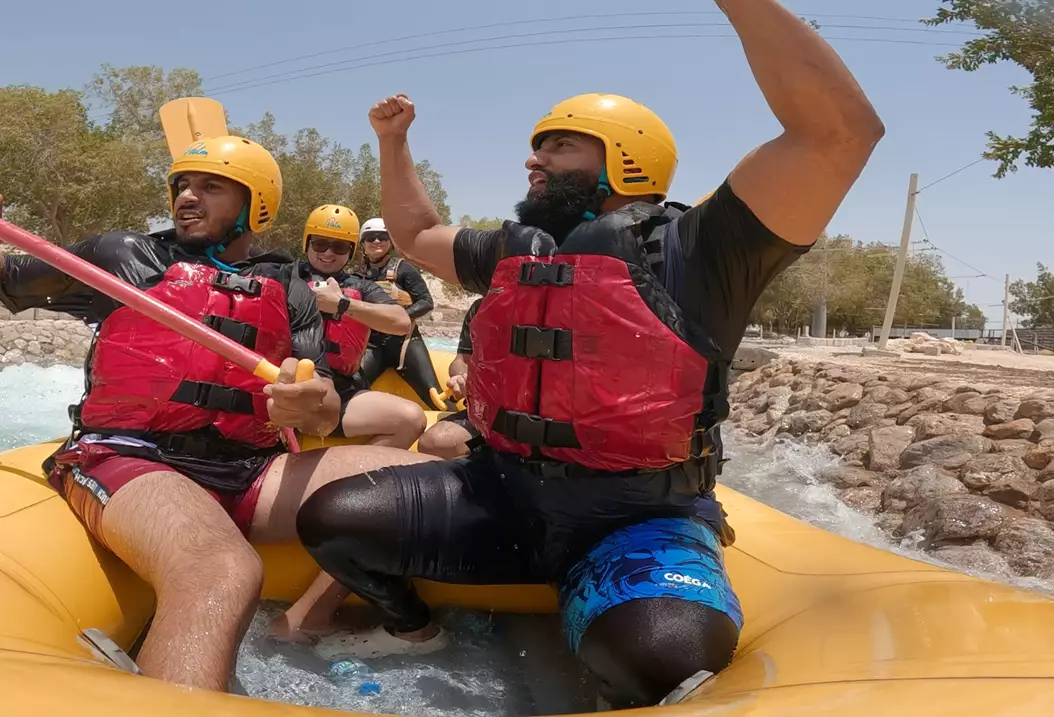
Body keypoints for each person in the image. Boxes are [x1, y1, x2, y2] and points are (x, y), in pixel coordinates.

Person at [295, 1, 883, 707]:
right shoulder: (516, 249)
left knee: (664, 659)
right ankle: (413, 628)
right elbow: (417, 229)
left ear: (624, 160)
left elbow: (836, 133)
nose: (531, 161)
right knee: (332, 519)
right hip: (503, 497)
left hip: (636, 517)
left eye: (557, 147)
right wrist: (392, 141)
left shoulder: (700, 249)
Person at [0, 135, 436, 692]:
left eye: (209, 186)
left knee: (418, 490)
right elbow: (10, 279)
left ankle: (315, 617)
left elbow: (324, 407)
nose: (187, 197)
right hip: (129, 457)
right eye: (181, 184)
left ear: (256, 205)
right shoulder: (123, 256)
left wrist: (309, 403)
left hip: (250, 469)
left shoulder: (289, 287)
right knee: (222, 570)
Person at [295, 204, 426, 446]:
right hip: (288, 389)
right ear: (307, 242)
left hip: (341, 392)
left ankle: (354, 475)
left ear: (351, 250)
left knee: (412, 419)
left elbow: (401, 322)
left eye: (340, 246)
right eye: (320, 243)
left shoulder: (362, 287)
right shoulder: (284, 275)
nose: (328, 253)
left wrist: (342, 305)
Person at [357, 217, 443, 407]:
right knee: (352, 388)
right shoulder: (357, 275)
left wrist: (399, 316)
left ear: (390, 242)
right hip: (372, 345)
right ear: (363, 243)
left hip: (405, 343)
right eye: (371, 237)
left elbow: (426, 301)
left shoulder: (404, 269)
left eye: (382, 237)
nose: (377, 241)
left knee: (434, 395)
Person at [416, 298, 481, 458]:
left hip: (540, 419)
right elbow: (461, 360)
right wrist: (463, 376)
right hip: (486, 413)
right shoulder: (481, 308)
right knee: (432, 443)